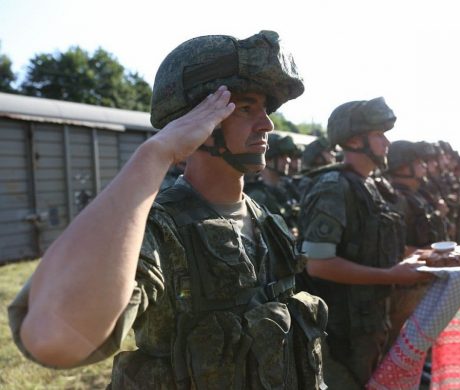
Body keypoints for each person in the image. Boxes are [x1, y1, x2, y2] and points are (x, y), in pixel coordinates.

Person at [8, 31, 328, 389]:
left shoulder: (266, 221)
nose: (267, 124)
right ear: (196, 119)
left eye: (266, 109)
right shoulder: (160, 227)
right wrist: (156, 153)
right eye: (246, 107)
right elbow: (55, 338)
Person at [298, 98, 433, 389]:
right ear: (356, 140)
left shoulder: (371, 185)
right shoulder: (333, 186)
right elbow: (319, 265)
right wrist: (390, 276)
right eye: (379, 135)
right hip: (342, 333)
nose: (387, 143)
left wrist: (420, 257)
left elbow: (373, 248)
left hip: (371, 323)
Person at [244, 133, 301, 234]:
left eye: (288, 156)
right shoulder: (256, 197)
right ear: (267, 159)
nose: (288, 160)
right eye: (282, 156)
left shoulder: (288, 189)